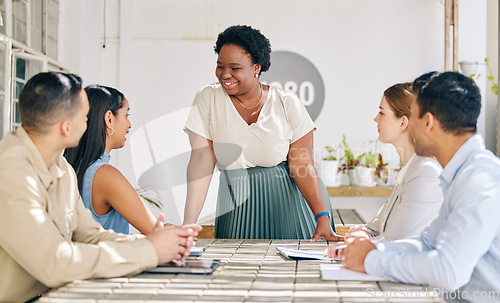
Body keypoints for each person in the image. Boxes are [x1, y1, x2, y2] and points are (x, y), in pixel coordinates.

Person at [0, 72, 201, 302]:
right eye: (85, 117)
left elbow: (91, 236)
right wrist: (149, 251)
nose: (88, 123)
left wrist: (159, 243)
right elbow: (54, 262)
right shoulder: (10, 173)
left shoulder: (62, 168)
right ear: (66, 127)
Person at [339, 71, 500, 302]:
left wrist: (371, 260)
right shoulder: (460, 174)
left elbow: (448, 271)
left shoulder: (480, 179)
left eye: (411, 116)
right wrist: (373, 251)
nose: (408, 126)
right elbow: (427, 242)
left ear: (428, 122)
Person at [183, 24, 342, 241]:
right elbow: (201, 159)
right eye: (220, 66)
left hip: (290, 208)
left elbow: (303, 165)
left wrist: (322, 217)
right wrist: (189, 223)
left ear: (256, 68)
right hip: (236, 209)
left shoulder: (287, 103)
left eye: (234, 67)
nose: (225, 74)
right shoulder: (208, 98)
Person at [338, 83, 443, 243]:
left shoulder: (425, 172)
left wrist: (362, 245)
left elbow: (398, 242)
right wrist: (364, 234)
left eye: (381, 112)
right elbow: (375, 228)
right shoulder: (409, 170)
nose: (375, 118)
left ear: (402, 123)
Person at [64, 85, 157, 234]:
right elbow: (155, 230)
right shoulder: (104, 175)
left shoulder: (69, 167)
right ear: (109, 119)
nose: (129, 124)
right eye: (126, 115)